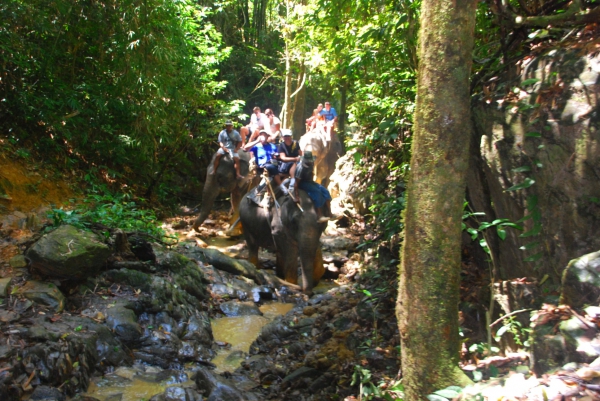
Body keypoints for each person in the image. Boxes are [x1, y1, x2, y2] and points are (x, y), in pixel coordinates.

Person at [294, 150, 334, 223]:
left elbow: (311, 173)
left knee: (325, 191)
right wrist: (296, 196)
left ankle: (330, 213)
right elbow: (296, 183)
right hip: (302, 183)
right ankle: (319, 216)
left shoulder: (312, 163)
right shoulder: (300, 168)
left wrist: (314, 183)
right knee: (316, 192)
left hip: (310, 181)